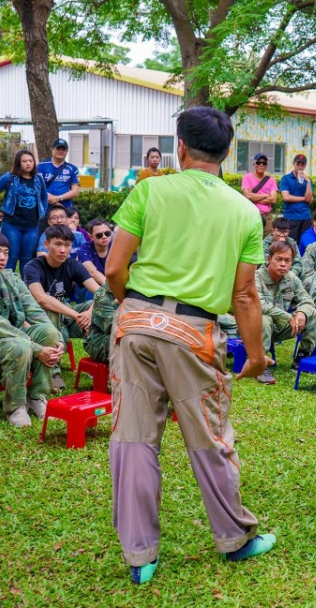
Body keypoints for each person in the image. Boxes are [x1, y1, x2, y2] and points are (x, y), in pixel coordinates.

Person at [105, 106, 276, 582]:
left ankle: (140, 558)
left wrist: (134, 309)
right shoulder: (244, 211)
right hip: (195, 333)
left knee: (133, 439)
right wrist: (257, 354)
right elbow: (244, 295)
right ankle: (235, 540)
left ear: (180, 147)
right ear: (227, 154)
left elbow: (116, 268)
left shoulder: (149, 190)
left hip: (134, 324)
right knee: (209, 439)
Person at [0, 231, 63, 428]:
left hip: (18, 342)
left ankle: (37, 396)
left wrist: (57, 339)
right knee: (20, 345)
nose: (2, 257)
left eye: (5, 253)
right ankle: (16, 407)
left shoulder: (11, 279)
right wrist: (37, 350)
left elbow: (34, 310)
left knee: (47, 332)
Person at [255, 240, 316, 383]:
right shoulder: (257, 277)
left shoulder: (292, 278)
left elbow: (307, 300)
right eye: (278, 259)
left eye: (287, 260)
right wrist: (287, 317)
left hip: (279, 327)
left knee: (315, 315)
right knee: (264, 318)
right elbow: (258, 305)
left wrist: (301, 313)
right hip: (254, 329)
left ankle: (301, 360)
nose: (283, 264)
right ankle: (260, 365)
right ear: (269, 259)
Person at [23, 225, 99, 349]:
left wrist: (89, 313)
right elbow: (41, 298)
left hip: (65, 312)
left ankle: (99, 347)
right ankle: (52, 360)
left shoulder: (73, 265)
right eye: (57, 244)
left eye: (67, 245)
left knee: (97, 304)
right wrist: (76, 315)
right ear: (46, 244)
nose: (63, 250)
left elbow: (100, 292)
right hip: (38, 316)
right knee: (51, 312)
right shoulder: (33, 267)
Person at [0, 149, 48, 273]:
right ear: (18, 163)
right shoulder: (10, 177)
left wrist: (43, 211)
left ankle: (25, 288)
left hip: (32, 225)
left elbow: (44, 196)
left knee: (26, 259)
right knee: (11, 257)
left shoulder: (38, 179)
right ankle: (6, 288)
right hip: (11, 224)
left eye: (30, 161)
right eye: (24, 161)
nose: (28, 164)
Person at [37, 139, 80, 208]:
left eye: (63, 149)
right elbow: (38, 187)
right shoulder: (41, 166)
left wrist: (59, 198)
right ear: (52, 149)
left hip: (66, 207)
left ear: (67, 151)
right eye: (58, 148)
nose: (60, 151)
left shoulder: (73, 168)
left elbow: (75, 191)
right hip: (45, 207)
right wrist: (54, 202)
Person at [279, 154, 313, 242]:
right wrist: (303, 198)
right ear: (293, 163)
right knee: (291, 243)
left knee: (304, 243)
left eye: (302, 165)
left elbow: (309, 199)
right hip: (291, 216)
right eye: (298, 164)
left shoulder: (308, 180)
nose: (300, 167)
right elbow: (286, 197)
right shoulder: (286, 179)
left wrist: (308, 182)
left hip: (305, 216)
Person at [241, 152, 278, 230]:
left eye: (264, 163)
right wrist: (266, 195)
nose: (261, 165)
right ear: (254, 164)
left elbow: (273, 199)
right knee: (251, 239)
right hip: (251, 215)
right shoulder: (247, 177)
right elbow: (248, 196)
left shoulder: (271, 180)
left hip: (267, 216)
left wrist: (253, 198)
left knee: (266, 240)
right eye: (258, 162)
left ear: (266, 166)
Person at [84, 283, 118, 364]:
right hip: (100, 341)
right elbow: (113, 327)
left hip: (125, 332)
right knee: (129, 340)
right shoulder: (102, 295)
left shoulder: (135, 290)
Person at [76, 218, 112, 286]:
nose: (104, 237)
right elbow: (93, 272)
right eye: (99, 235)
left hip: (112, 284)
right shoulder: (83, 250)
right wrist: (112, 289)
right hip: (89, 287)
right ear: (91, 237)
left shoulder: (116, 246)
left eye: (107, 233)